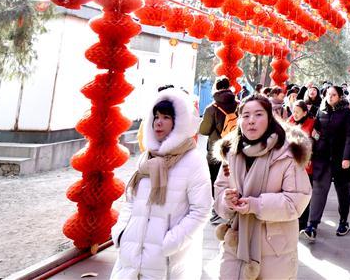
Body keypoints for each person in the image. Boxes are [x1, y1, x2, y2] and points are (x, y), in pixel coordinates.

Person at [111, 88, 212, 280]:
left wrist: (169, 243)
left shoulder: (193, 160)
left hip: (167, 262)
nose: (158, 121)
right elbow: (130, 200)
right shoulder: (146, 157)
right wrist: (121, 232)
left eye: (166, 117)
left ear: (179, 122)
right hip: (130, 256)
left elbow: (201, 210)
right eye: (156, 116)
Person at [213, 95, 312, 280]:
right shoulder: (232, 153)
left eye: (258, 114)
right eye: (245, 115)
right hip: (236, 243)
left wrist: (255, 205)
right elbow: (219, 190)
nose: (251, 121)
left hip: (274, 249)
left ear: (269, 119)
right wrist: (226, 201)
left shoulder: (287, 154)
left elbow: (296, 201)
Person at [301, 85, 350, 242]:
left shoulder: (346, 113)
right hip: (322, 156)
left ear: (340, 97)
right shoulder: (321, 111)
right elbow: (315, 133)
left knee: (342, 190)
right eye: (328, 94)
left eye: (333, 95)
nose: (330, 97)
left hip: (340, 158)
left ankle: (343, 221)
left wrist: (346, 157)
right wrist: (312, 150)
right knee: (319, 188)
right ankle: (312, 225)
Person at [198, 77, 239, 224]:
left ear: (216, 87)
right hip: (236, 149)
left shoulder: (211, 108)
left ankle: (217, 210)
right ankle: (233, 208)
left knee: (216, 180)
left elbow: (203, 130)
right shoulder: (239, 105)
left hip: (216, 151)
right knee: (233, 179)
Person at [288, 100, 316, 230]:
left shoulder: (312, 122)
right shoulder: (289, 122)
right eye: (293, 111)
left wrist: (310, 156)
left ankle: (303, 223)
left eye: (298, 112)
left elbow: (315, 142)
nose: (295, 114)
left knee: (305, 193)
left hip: (307, 165)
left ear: (305, 112)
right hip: (291, 164)